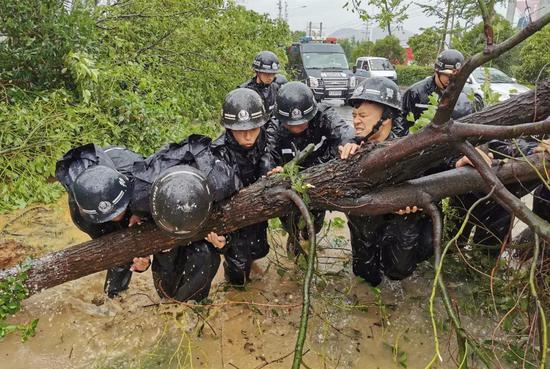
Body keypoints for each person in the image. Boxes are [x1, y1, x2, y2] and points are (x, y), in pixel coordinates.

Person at [339, 77, 495, 285]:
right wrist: (348, 146)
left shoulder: (410, 146)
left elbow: (439, 160)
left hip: (405, 221)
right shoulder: (353, 148)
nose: (356, 120)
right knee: (364, 276)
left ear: (386, 117)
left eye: (363, 115)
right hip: (366, 222)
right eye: (354, 115)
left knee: (398, 272)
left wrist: (462, 160)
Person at [267, 81, 355, 255]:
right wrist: (271, 168)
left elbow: (345, 131)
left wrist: (349, 144)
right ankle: (293, 236)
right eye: (290, 124)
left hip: (319, 176)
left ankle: (309, 236)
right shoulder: (274, 125)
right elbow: (266, 152)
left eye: (302, 122)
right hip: (288, 179)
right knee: (289, 218)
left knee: (314, 223)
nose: (296, 128)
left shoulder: (324, 115)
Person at [55, 144, 151, 298]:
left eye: (119, 211)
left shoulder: (139, 180)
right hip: (96, 210)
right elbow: (115, 248)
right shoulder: (83, 215)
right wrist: (136, 261)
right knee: (118, 247)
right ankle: (114, 297)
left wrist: (140, 213)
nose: (116, 217)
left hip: (123, 178)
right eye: (112, 215)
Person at [210, 88, 272, 286]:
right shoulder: (218, 154)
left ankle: (251, 263)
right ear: (229, 128)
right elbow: (218, 204)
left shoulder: (267, 138)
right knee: (237, 273)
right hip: (233, 215)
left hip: (257, 210)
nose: (248, 137)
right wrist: (223, 237)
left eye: (253, 129)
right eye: (240, 130)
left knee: (259, 248)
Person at [402, 49, 473, 132]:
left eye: (457, 77)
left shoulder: (467, 95)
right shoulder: (415, 93)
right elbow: (404, 128)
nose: (453, 80)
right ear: (437, 72)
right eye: (448, 76)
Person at [240, 50, 281, 115]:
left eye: (273, 74)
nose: (270, 77)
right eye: (267, 74)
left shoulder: (275, 88)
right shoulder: (244, 91)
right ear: (258, 72)